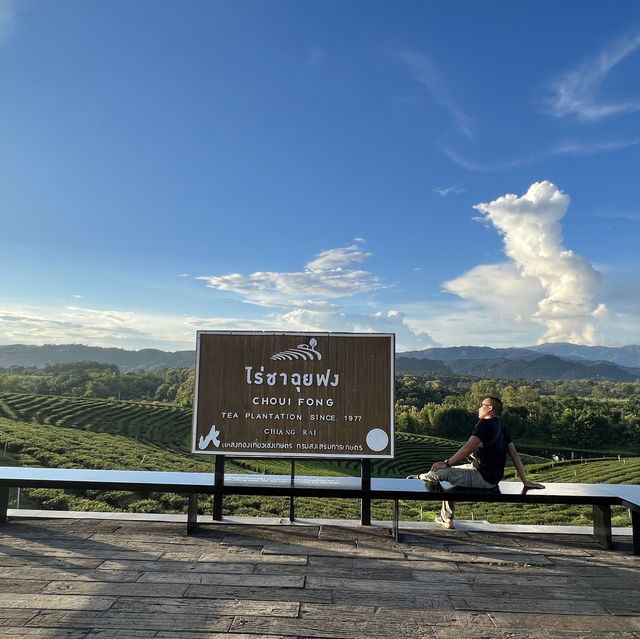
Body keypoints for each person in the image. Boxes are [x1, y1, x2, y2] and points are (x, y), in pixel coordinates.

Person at [419, 397, 544, 529]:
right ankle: (447, 517)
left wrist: (447, 463)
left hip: (481, 476)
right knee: (452, 477)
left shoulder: (484, 424)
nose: (479, 408)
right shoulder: (501, 426)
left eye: (482, 405)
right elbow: (514, 455)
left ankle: (421, 478)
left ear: (490, 408)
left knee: (438, 473)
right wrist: (525, 481)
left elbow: (467, 448)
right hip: (492, 479)